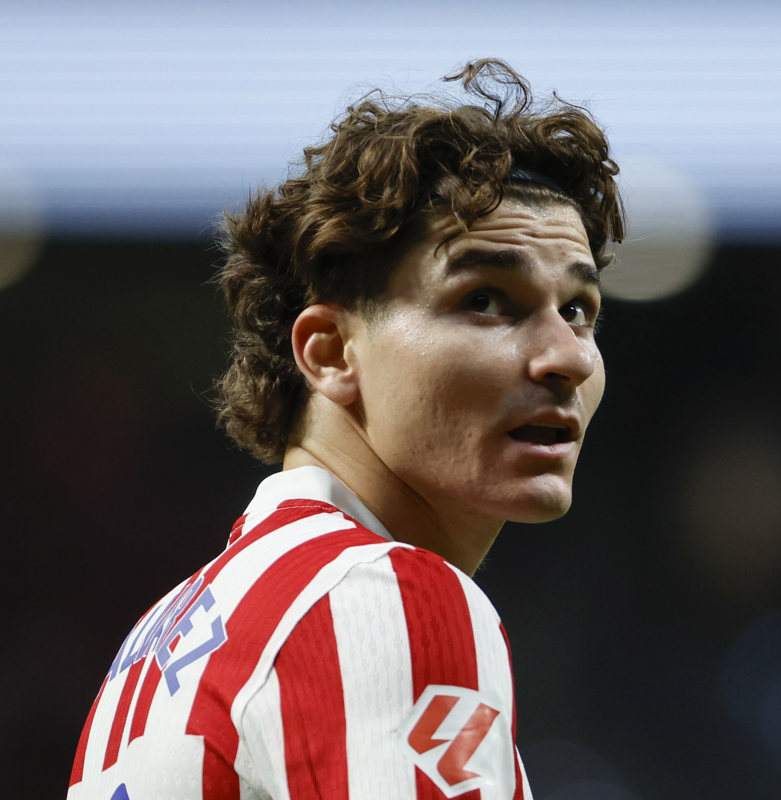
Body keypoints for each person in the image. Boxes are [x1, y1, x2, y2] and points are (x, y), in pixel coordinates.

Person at [66, 58, 623, 800]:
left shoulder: (157, 644)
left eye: (580, 309)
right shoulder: (379, 593)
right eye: (488, 299)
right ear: (329, 353)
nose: (569, 358)